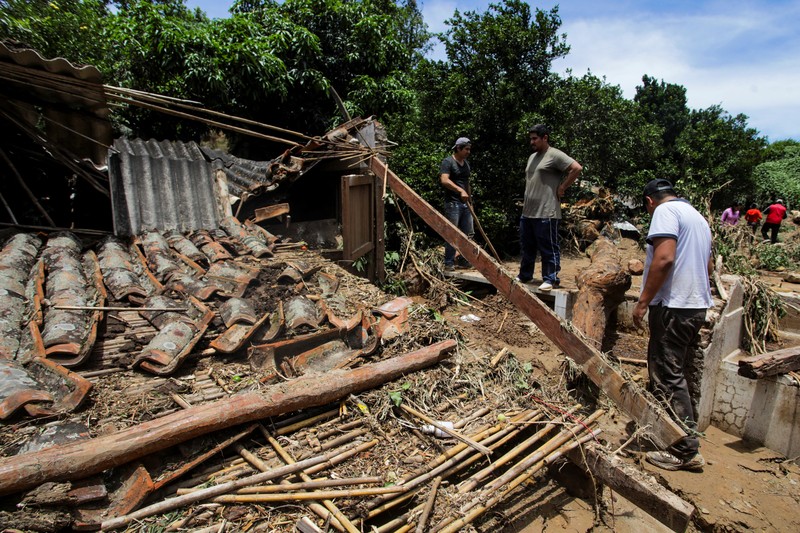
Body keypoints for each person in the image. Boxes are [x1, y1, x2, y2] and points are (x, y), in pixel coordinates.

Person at [633, 178, 713, 472]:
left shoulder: (664, 213)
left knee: (667, 375)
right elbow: (708, 267)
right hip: (696, 306)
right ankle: (683, 433)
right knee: (680, 372)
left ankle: (684, 451)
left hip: (673, 307)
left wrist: (643, 302)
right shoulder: (697, 218)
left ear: (649, 201)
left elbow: (664, 259)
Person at [516, 124, 582, 291]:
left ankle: (550, 278)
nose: (532, 141)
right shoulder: (532, 157)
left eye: (535, 138)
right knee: (527, 246)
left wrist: (562, 187)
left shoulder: (554, 155)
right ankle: (525, 275)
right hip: (528, 211)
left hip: (547, 211)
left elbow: (576, 168)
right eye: (531, 138)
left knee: (548, 247)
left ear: (545, 137)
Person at [439, 137, 474, 271]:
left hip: (465, 204)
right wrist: (460, 190)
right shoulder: (448, 162)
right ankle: (449, 263)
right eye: (466, 149)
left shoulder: (466, 164)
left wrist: (470, 200)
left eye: (469, 149)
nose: (468, 152)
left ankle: (464, 260)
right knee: (451, 233)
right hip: (453, 203)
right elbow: (444, 180)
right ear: (458, 148)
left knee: (467, 234)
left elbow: (467, 183)